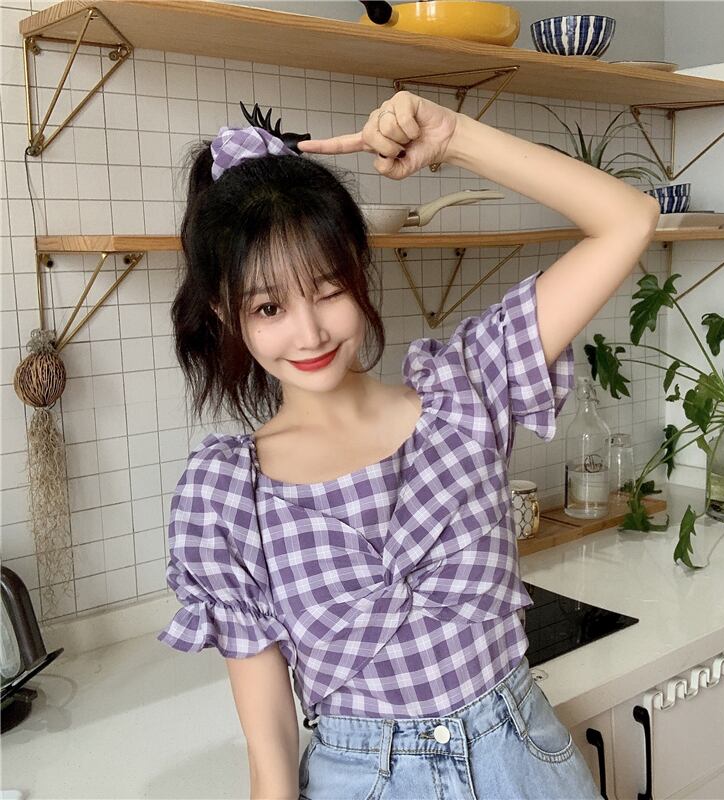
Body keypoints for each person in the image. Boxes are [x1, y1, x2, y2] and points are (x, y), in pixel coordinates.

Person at [158, 90, 660, 799]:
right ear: (224, 312)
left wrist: (454, 138)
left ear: (359, 268)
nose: (309, 332)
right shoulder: (228, 496)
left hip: (522, 764)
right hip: (361, 779)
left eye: (327, 289)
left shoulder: (467, 390)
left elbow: (628, 219)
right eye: (269, 306)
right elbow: (270, 749)